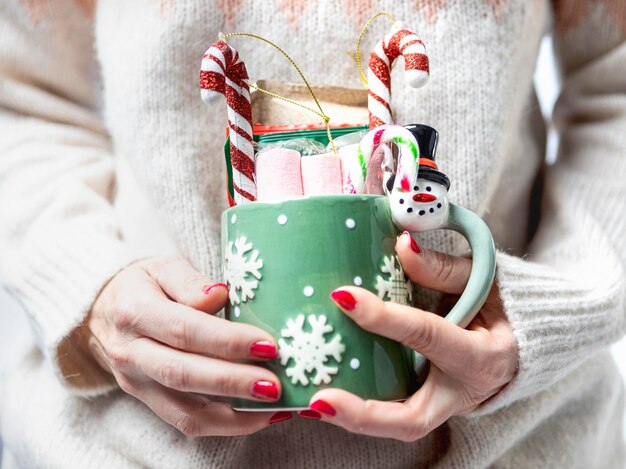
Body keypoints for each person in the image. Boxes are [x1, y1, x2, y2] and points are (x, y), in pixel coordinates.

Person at [0, 0, 624, 467]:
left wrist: (552, 308)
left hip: (520, 445)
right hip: (126, 450)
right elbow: (19, 96)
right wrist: (91, 284)